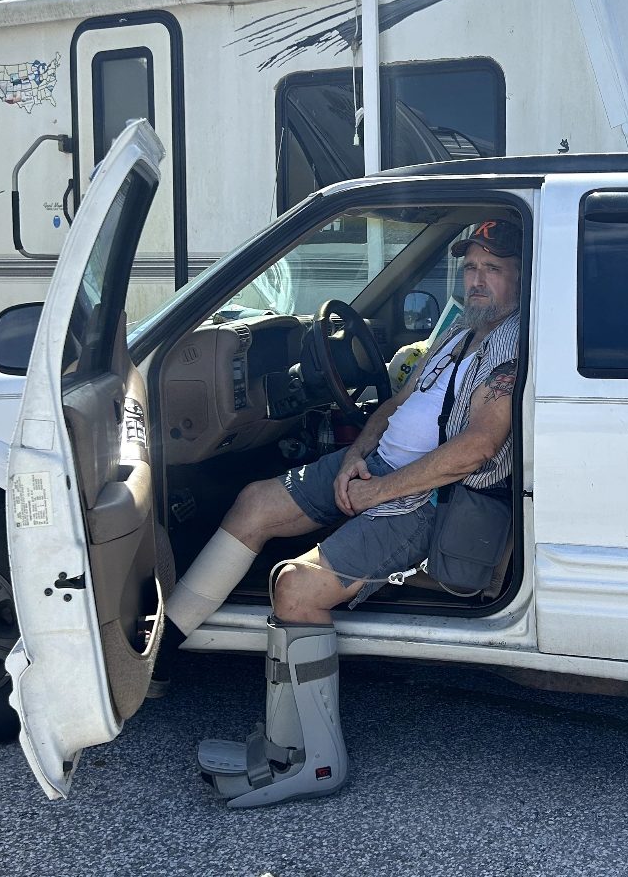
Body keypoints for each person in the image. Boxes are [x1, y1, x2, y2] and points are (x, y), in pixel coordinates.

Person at [162, 218, 523, 808]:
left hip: (424, 501)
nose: (477, 281)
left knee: (295, 589)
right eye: (472, 267)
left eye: (494, 269)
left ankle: (310, 760)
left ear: (519, 278)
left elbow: (475, 449)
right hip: (375, 469)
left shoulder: (510, 351)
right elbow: (394, 405)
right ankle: (162, 653)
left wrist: (376, 494)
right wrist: (356, 458)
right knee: (255, 501)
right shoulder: (460, 333)